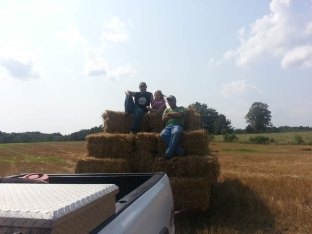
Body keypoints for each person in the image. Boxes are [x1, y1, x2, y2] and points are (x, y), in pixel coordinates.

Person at [160, 95, 185, 159]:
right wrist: (174, 114)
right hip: (168, 126)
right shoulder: (166, 110)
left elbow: (180, 114)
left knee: (176, 132)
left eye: (171, 100)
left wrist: (169, 114)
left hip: (178, 125)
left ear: (175, 101)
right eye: (168, 101)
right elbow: (163, 119)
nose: (169, 102)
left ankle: (168, 153)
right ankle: (179, 150)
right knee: (162, 134)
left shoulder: (181, 108)